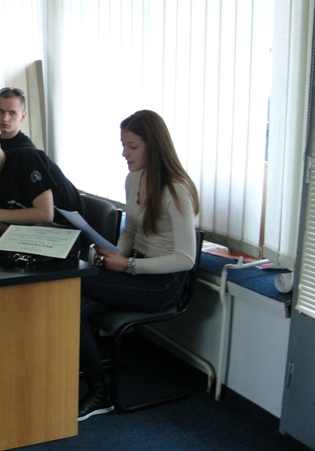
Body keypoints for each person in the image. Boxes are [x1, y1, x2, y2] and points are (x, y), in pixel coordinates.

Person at [77, 110, 200, 421]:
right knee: (71, 306)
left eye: (132, 146)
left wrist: (128, 265)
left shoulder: (176, 189)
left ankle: (98, 392)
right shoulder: (134, 178)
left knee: (74, 278)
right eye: (123, 145)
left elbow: (186, 258)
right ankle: (99, 392)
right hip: (135, 273)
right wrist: (113, 256)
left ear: (153, 146)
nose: (124, 153)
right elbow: (131, 231)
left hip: (163, 285)